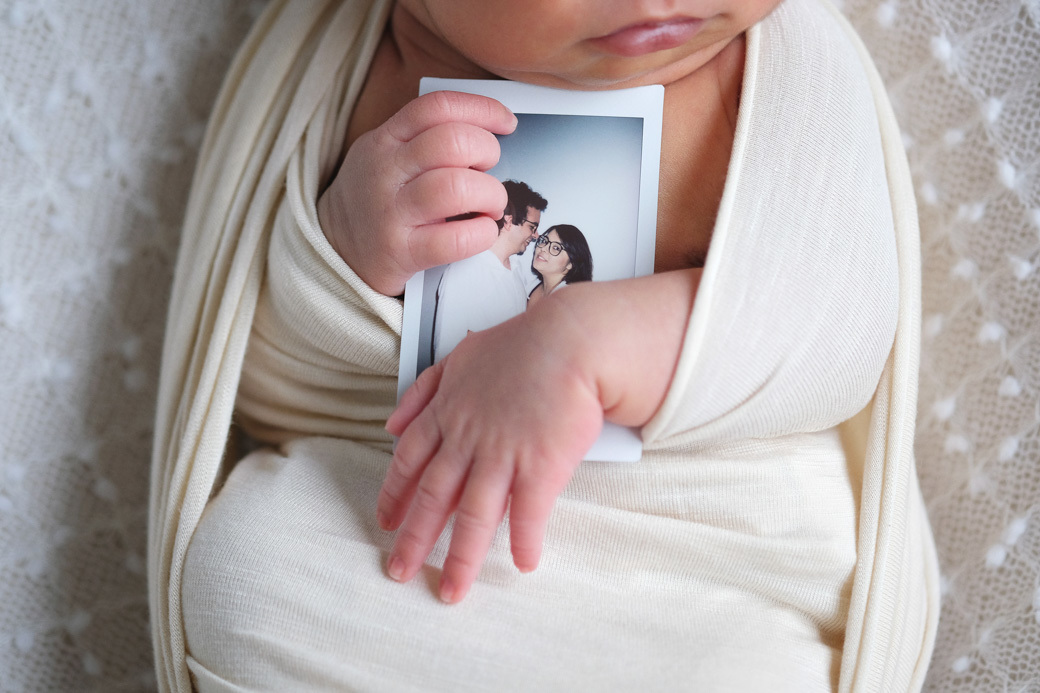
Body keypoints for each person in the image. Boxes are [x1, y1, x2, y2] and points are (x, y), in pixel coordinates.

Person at [151, 0, 940, 690]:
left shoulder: (777, 77)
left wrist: (589, 343)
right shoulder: (345, 70)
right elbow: (259, 378)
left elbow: (836, 330)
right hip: (392, 513)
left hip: (691, 554)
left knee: (756, 666)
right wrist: (347, 247)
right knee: (246, 575)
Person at [431, 180, 546, 362]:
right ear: (509, 221)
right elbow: (445, 356)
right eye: (532, 227)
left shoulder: (517, 268)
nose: (536, 235)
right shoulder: (464, 272)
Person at [526, 224, 593, 310]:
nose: (543, 248)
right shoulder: (532, 286)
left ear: (570, 263)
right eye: (545, 241)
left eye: (556, 248)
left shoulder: (569, 301)